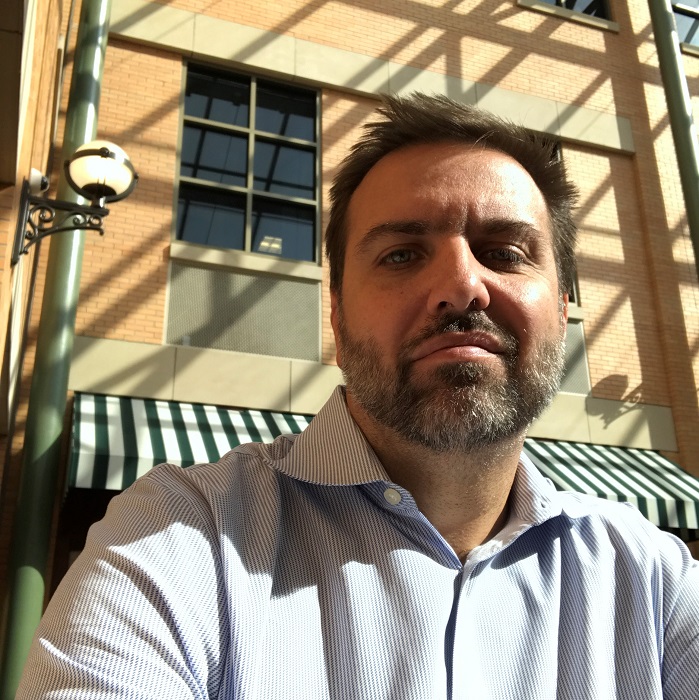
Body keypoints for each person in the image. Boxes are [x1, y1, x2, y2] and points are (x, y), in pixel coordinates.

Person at [18, 94, 699, 699]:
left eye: (504, 250)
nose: (461, 288)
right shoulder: (176, 536)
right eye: (401, 254)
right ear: (338, 323)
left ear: (559, 308)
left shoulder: (655, 579)